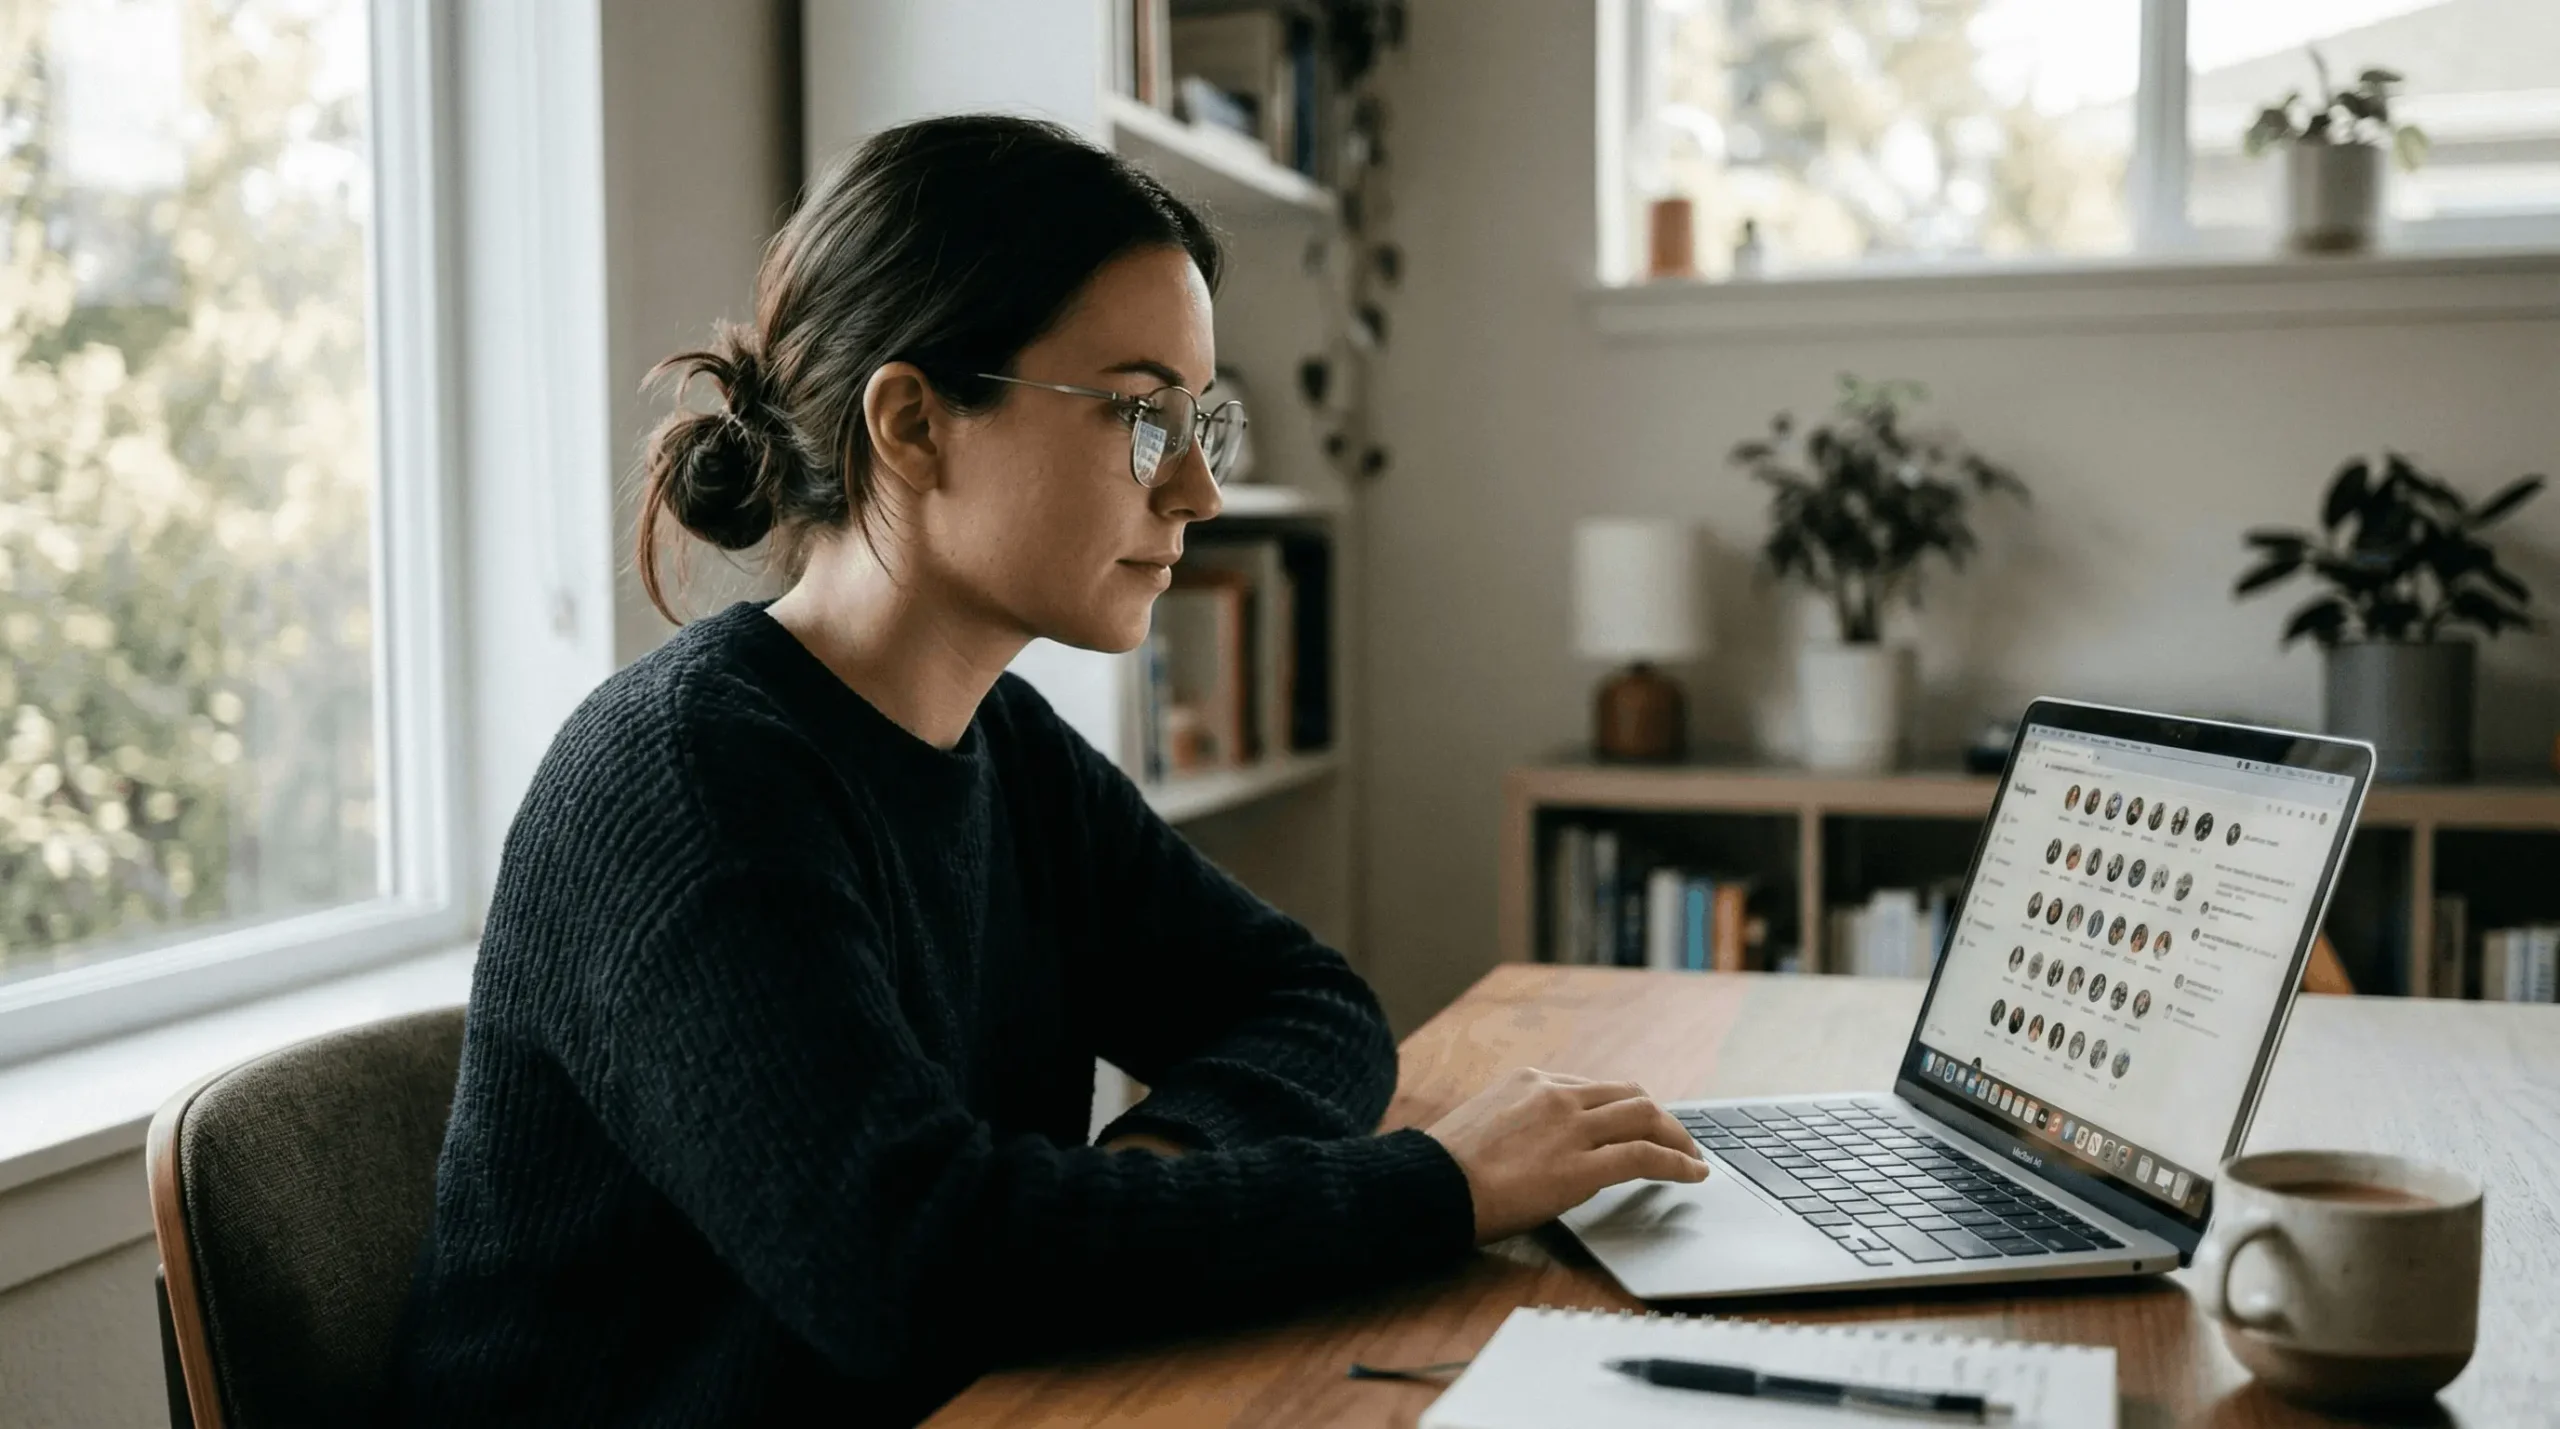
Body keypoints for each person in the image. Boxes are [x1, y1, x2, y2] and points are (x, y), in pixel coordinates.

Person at [389, 116, 1705, 1427]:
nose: (1194, 489)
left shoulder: (1003, 751)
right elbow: (916, 1271)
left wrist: (1160, 1164)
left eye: (1205, 422)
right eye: (1139, 413)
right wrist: (1439, 1189)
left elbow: (1309, 1003)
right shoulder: (689, 785)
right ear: (911, 423)